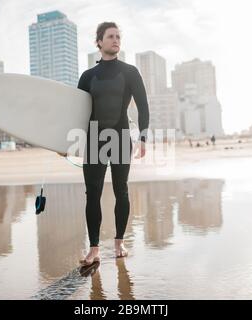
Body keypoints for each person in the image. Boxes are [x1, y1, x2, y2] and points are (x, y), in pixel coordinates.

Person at [72, 22, 149, 265]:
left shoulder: (130, 72)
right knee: (92, 194)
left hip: (120, 136)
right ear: (99, 42)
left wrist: (143, 137)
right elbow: (77, 112)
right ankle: (94, 249)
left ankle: (119, 242)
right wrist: (67, 141)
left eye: (118, 36)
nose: (116, 40)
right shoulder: (87, 76)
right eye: (110, 36)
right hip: (94, 139)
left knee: (121, 190)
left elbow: (143, 106)